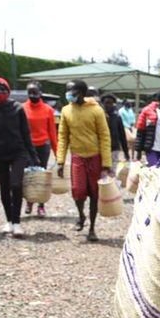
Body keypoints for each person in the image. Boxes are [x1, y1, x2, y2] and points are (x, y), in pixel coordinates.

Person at [0, 78, 39, 238]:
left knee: (16, 184)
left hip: (18, 152)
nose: (0, 93)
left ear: (8, 91)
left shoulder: (17, 108)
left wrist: (33, 155)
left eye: (3, 89)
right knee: (4, 186)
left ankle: (17, 222)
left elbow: (26, 133)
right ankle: (9, 221)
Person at [57, 80, 112, 241]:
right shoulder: (66, 110)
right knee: (78, 191)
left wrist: (106, 164)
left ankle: (92, 228)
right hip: (77, 157)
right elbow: (62, 136)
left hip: (95, 157)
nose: (68, 95)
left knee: (94, 193)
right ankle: (81, 215)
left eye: (71, 92)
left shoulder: (96, 110)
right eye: (67, 91)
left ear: (81, 93)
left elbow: (104, 136)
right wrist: (60, 161)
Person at [23, 81, 58, 217]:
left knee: (42, 176)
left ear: (40, 93)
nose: (33, 95)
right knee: (29, 175)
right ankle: (29, 201)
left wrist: (57, 153)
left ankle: (41, 205)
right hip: (27, 147)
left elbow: (52, 132)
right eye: (30, 92)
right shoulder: (22, 108)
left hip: (43, 146)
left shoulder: (48, 110)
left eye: (35, 92)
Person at [135, 91, 160, 166]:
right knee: (154, 168)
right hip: (151, 148)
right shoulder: (147, 111)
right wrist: (138, 151)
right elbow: (140, 131)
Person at [100, 94, 131, 168]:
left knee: (113, 170)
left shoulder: (117, 117)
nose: (108, 105)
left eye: (110, 103)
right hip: (101, 149)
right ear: (102, 104)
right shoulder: (98, 116)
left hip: (114, 148)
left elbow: (122, 135)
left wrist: (126, 152)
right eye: (106, 103)